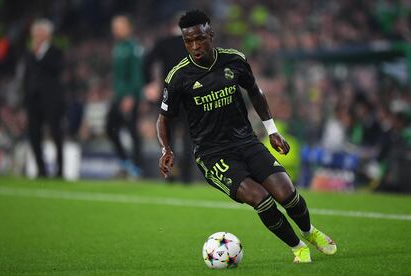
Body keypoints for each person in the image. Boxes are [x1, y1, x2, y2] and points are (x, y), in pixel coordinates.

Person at [156, 10, 337, 263]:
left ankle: (309, 233)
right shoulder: (178, 77)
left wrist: (272, 131)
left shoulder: (234, 60)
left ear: (211, 35)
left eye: (200, 39)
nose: (195, 46)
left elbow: (255, 91)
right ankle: (298, 248)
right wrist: (166, 149)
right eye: (189, 42)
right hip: (212, 154)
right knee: (260, 199)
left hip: (246, 141)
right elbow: (164, 118)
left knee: (288, 194)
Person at [143, 15, 193, 183]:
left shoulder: (164, 43)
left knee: (166, 135)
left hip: (169, 95)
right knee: (188, 137)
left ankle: (169, 173)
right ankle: (187, 177)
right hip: (189, 96)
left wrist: (149, 83)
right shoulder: (192, 44)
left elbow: (146, 62)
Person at [23, 19, 65, 178]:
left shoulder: (56, 51)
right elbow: (26, 77)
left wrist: (39, 54)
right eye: (35, 33)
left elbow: (57, 70)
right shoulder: (29, 52)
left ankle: (60, 170)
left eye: (40, 33)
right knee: (34, 134)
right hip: (33, 99)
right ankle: (41, 170)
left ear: (48, 35)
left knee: (56, 133)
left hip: (51, 99)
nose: (37, 36)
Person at [107, 15, 144, 177]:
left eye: (118, 26)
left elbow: (137, 74)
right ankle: (126, 162)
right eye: (113, 26)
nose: (114, 30)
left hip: (129, 97)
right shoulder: (118, 47)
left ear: (128, 27)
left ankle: (136, 168)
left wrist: (131, 96)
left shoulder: (133, 47)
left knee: (132, 131)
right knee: (110, 128)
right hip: (118, 96)